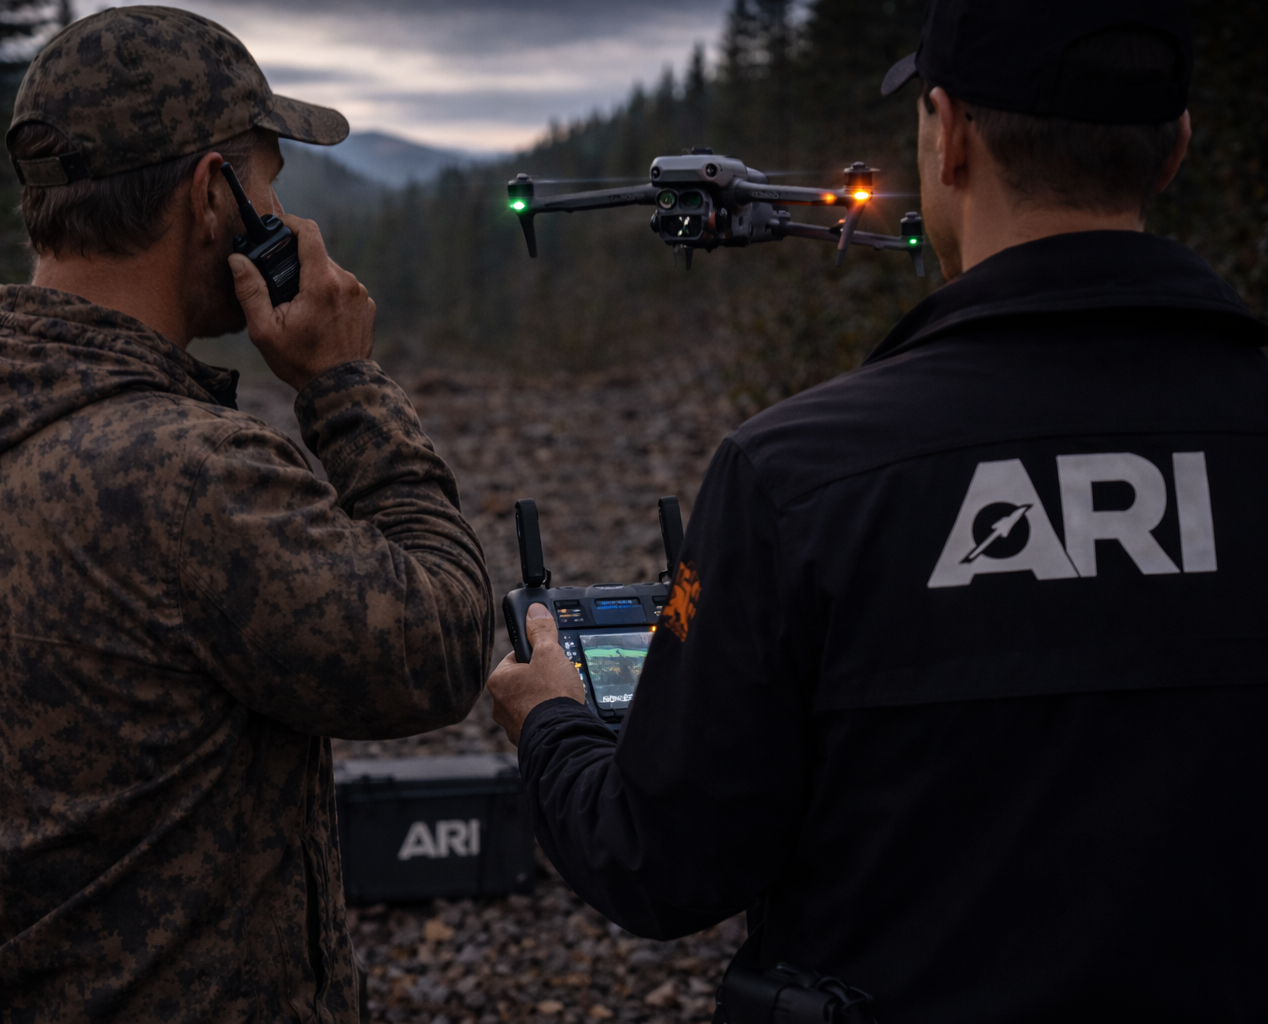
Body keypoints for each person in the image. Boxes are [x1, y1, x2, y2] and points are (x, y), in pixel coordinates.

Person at [487, 1, 1268, 1020]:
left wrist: (548, 721)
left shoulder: (795, 474)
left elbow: (660, 858)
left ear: (949, 137)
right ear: (1175, 149)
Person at [0, 7, 492, 1022]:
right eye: (270, 180)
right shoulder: (188, 471)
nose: (286, 214)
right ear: (208, 196)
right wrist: (346, 386)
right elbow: (442, 643)